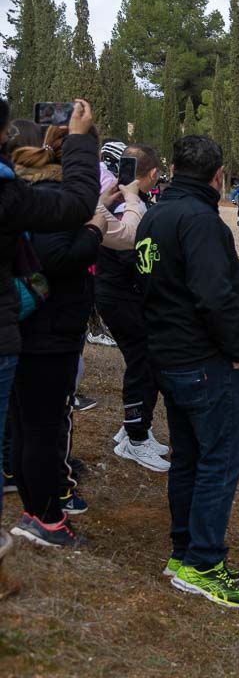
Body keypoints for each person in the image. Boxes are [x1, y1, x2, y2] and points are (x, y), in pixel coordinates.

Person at [137, 134, 239, 608]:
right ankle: (203, 563)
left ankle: (184, 552)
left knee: (188, 458)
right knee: (219, 461)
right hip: (204, 362)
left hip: (168, 357)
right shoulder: (201, 220)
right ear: (218, 175)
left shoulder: (155, 215)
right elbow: (214, 295)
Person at [0, 99, 100, 578]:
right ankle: (45, 516)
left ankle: (34, 509)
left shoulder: (22, 195)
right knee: (42, 427)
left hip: (30, 332)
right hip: (46, 334)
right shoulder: (38, 205)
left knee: (26, 425)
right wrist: (95, 230)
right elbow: (61, 257)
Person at [97, 144, 171, 472]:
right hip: (119, 294)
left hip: (120, 293)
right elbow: (132, 250)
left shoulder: (128, 201)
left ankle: (136, 428)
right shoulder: (126, 204)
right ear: (153, 175)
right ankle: (135, 436)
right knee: (143, 360)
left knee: (144, 361)